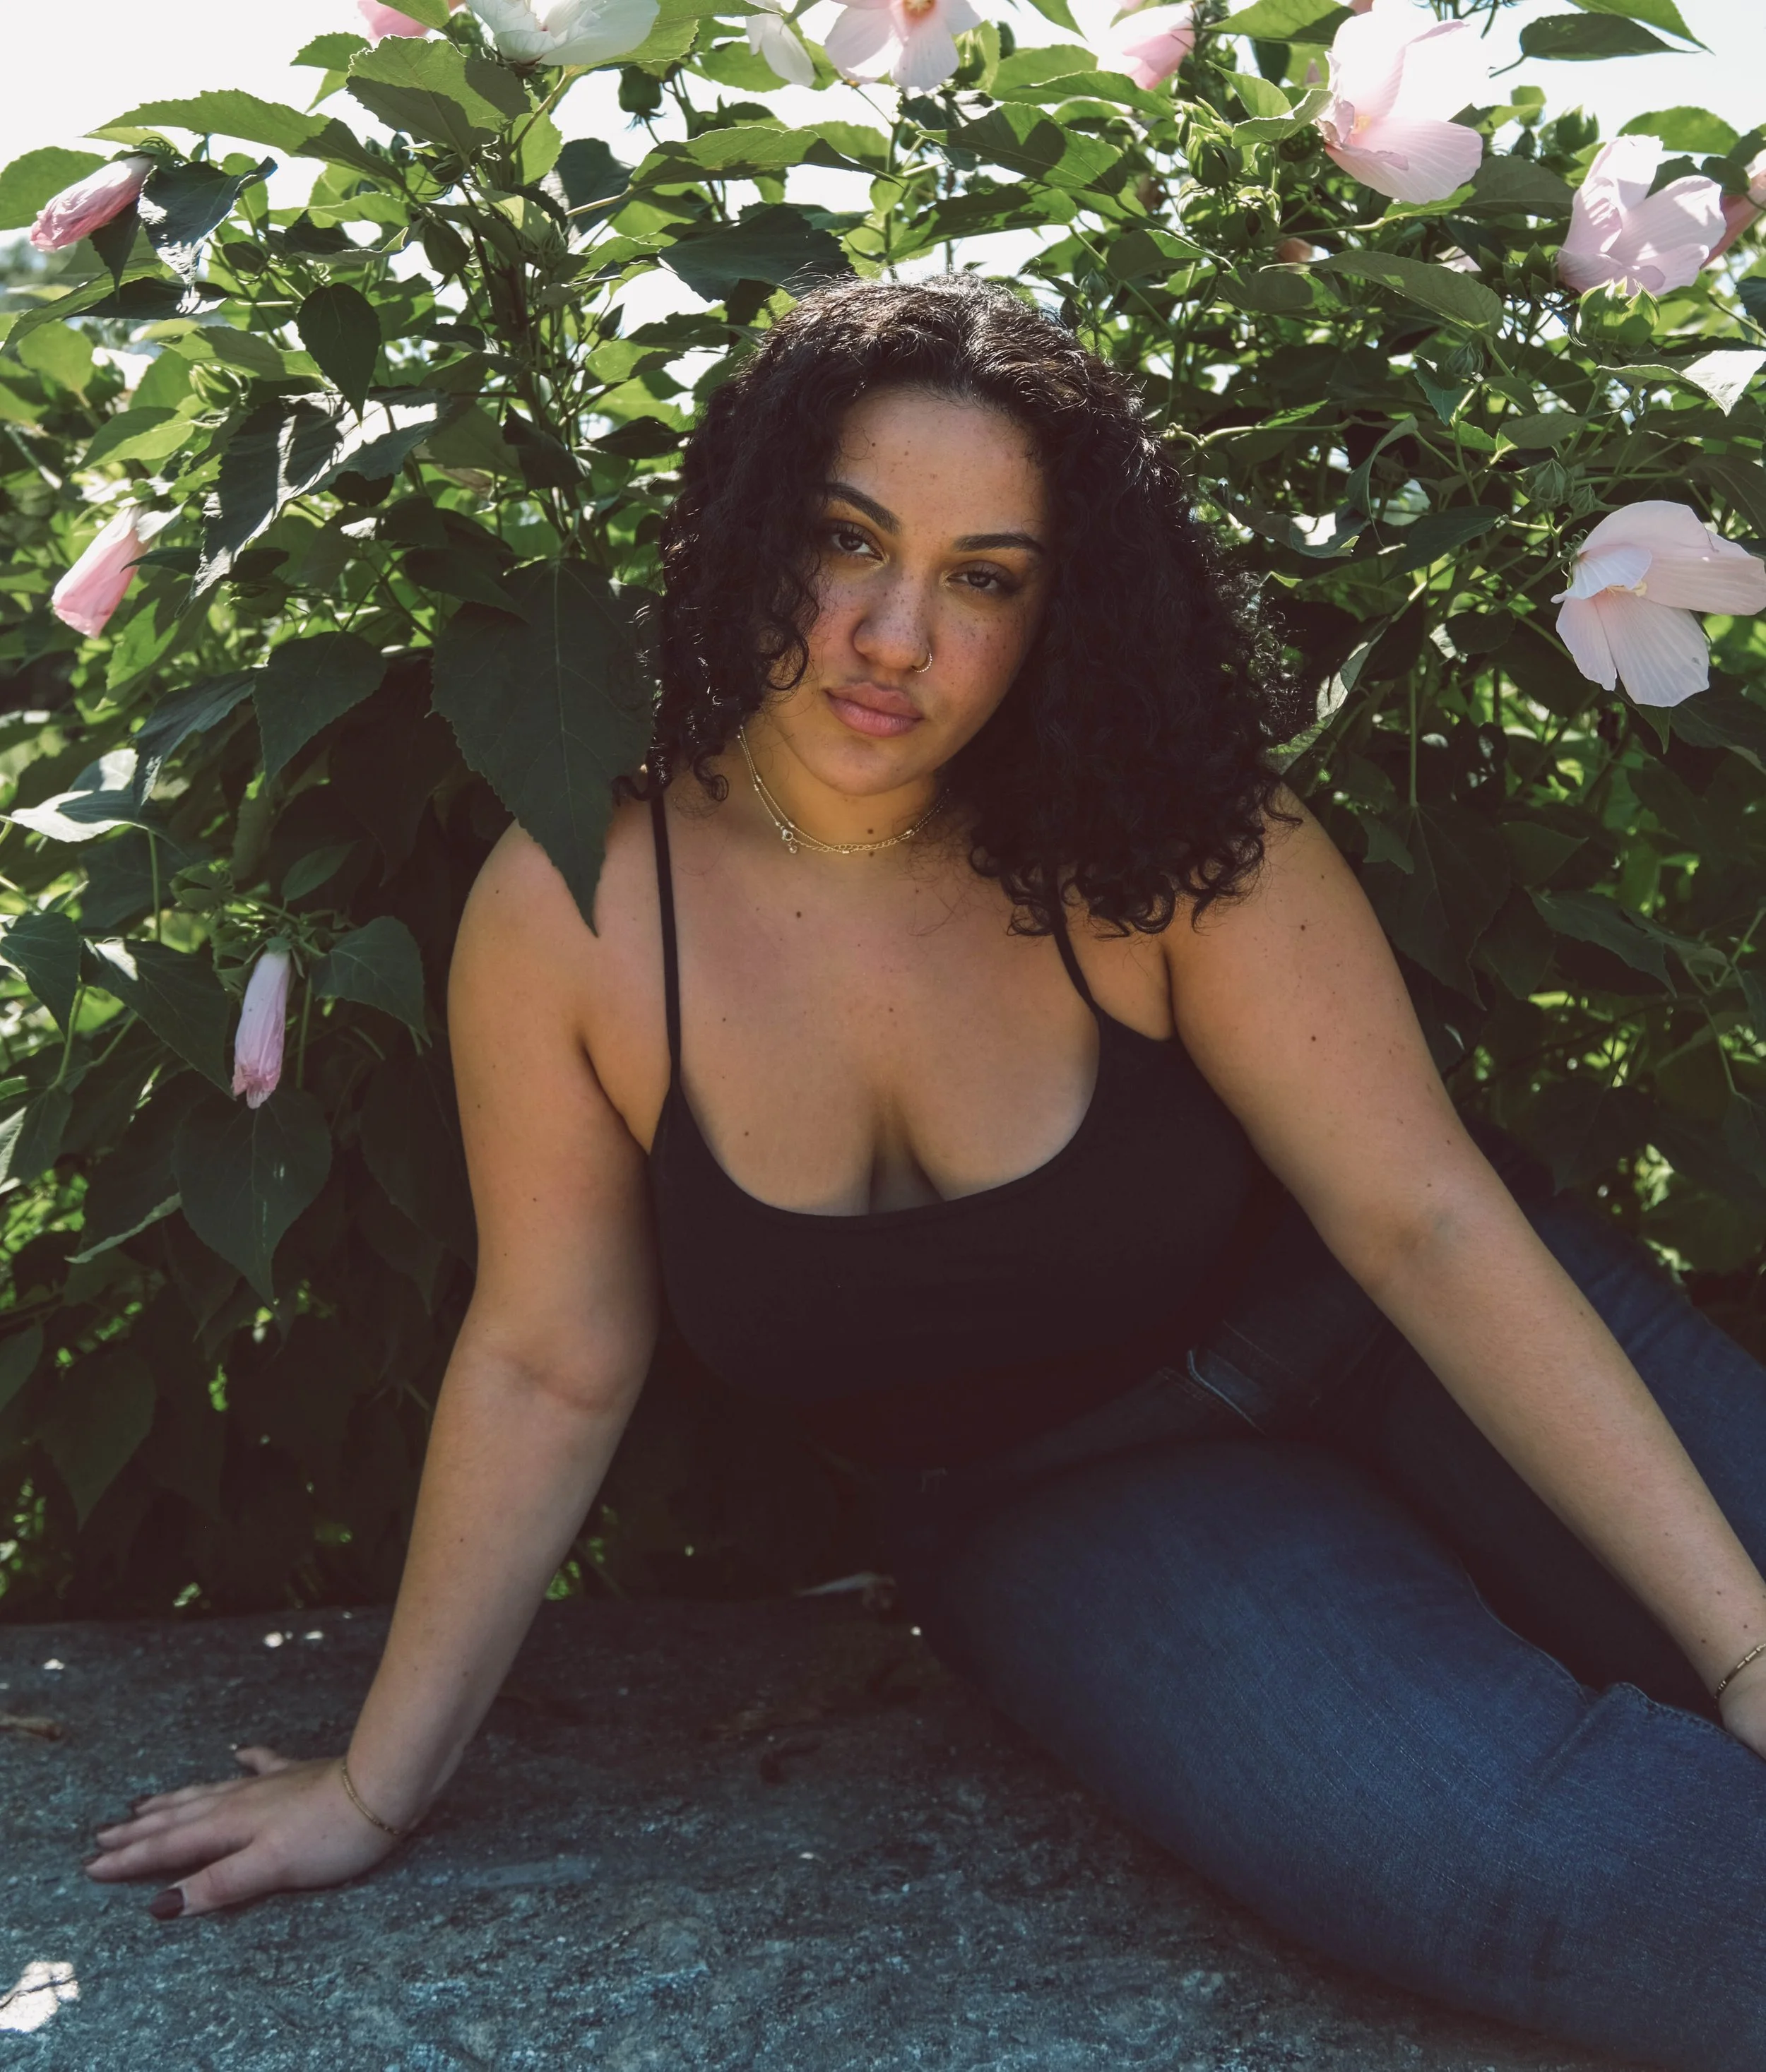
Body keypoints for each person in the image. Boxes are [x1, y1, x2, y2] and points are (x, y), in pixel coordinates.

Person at [85, 276, 1766, 2071]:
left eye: (983, 577)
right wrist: (376, 1785)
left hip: (1417, 1329)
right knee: (1576, 1877)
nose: (893, 636)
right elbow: (549, 1355)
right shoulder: (576, 910)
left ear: (1055, 610)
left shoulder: (1162, 825)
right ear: (748, 531)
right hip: (1083, 1511)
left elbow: (1419, 1221)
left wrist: (1743, 1650)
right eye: (845, 542)